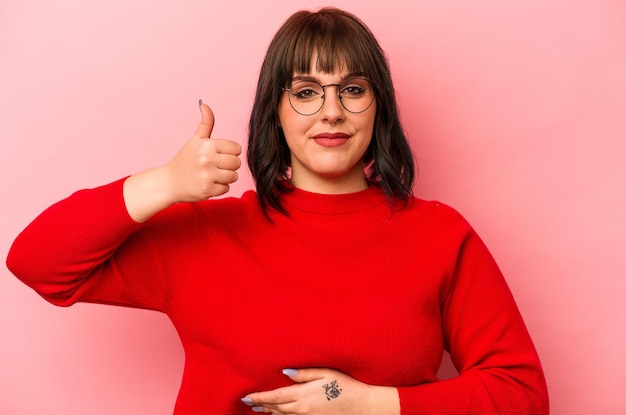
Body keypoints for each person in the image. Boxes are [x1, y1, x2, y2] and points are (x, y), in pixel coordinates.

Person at [6, 7, 549, 415]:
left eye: (352, 90)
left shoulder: (438, 233)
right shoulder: (210, 234)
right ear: (276, 112)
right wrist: (164, 183)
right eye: (307, 92)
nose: (331, 112)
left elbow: (522, 393)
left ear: (377, 107)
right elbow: (37, 263)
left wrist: (371, 404)